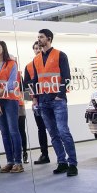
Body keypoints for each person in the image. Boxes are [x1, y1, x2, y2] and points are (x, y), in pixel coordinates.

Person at [30, 29, 78, 177]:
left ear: (49, 39)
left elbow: (67, 77)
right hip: (43, 101)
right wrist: (36, 99)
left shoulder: (60, 55)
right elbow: (35, 81)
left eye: (41, 37)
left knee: (63, 131)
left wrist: (60, 95)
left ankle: (72, 164)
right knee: (53, 134)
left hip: (57, 100)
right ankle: (62, 162)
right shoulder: (36, 59)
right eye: (38, 37)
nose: (39, 39)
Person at [0, 41, 23, 174]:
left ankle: (18, 162)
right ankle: (10, 161)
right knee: (4, 132)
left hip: (10, 100)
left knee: (13, 130)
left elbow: (12, 83)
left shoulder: (11, 63)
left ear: (3, 48)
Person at [23, 41, 50, 165]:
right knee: (41, 128)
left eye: (39, 48)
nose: (37, 50)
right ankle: (44, 154)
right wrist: (33, 100)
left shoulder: (50, 62)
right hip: (37, 101)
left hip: (51, 99)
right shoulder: (29, 66)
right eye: (35, 48)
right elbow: (27, 86)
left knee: (56, 128)